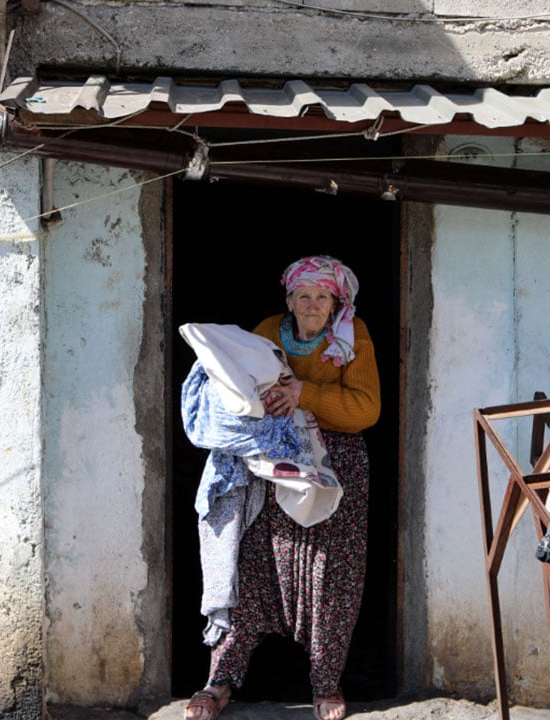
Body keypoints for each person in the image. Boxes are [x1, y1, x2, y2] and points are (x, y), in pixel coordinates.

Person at [185, 255, 381, 720]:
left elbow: (366, 410)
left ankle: (326, 684)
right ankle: (219, 682)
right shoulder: (268, 331)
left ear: (336, 303)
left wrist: (303, 394)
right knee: (248, 568)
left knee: (331, 579)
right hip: (273, 466)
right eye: (303, 295)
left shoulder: (355, 338)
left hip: (336, 470)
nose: (312, 305)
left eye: (322, 297)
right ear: (289, 299)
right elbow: (239, 378)